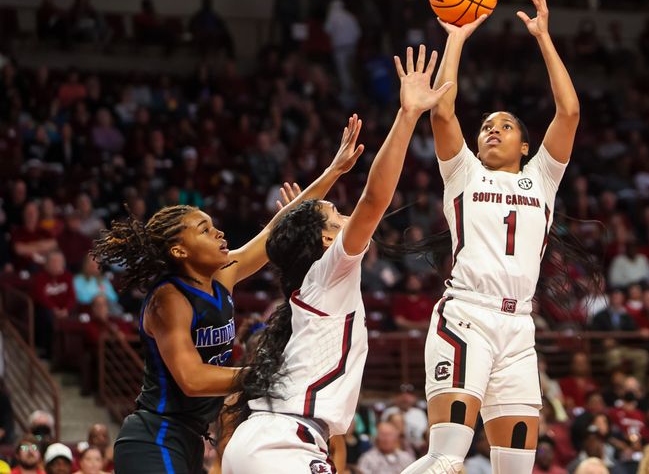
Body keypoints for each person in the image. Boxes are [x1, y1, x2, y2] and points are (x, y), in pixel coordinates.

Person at [219, 45, 454, 473]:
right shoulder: (331, 271)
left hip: (262, 441)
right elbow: (374, 199)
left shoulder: (307, 285)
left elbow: (286, 235)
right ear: (327, 241)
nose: (346, 219)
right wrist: (407, 116)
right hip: (285, 445)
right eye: (336, 216)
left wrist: (300, 213)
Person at [94, 114, 365, 474]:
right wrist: (264, 375)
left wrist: (334, 171)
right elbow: (192, 380)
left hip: (190, 438)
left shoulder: (222, 276)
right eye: (205, 230)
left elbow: (277, 228)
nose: (219, 233)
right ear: (179, 251)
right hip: (154, 434)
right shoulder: (169, 299)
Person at [404, 0, 583, 473]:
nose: (491, 130)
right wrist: (457, 37)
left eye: (504, 126)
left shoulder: (542, 178)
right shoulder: (462, 171)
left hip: (519, 328)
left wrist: (544, 37)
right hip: (467, 319)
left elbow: (568, 112)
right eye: (486, 125)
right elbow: (442, 109)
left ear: (526, 146)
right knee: (446, 461)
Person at [381, 384, 429, 455]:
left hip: (418, 449)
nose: (405, 398)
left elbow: (425, 433)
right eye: (401, 395)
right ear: (395, 397)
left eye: (409, 395)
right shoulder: (389, 412)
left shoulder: (419, 413)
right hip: (397, 447)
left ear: (414, 398)